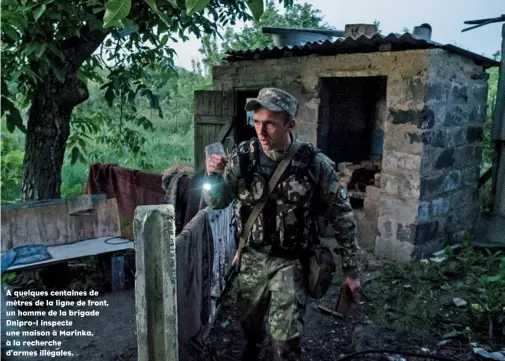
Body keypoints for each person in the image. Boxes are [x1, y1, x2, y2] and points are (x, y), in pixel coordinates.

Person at [202, 87, 359, 361]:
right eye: (257, 122)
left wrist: (351, 270)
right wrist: (213, 176)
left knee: (285, 340)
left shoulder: (314, 164)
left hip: (292, 262)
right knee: (249, 324)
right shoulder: (243, 157)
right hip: (251, 258)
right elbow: (217, 202)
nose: (261, 131)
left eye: (271, 123)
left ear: (290, 124)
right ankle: (254, 345)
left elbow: (342, 215)